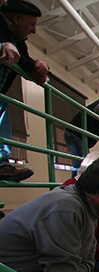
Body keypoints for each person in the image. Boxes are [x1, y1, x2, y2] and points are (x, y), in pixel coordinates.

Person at [0, 0, 49, 182]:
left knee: (2, 109)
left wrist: (38, 66)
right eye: (32, 24)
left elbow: (26, 62)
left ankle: (2, 164)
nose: (34, 30)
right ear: (18, 19)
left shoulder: (18, 40)